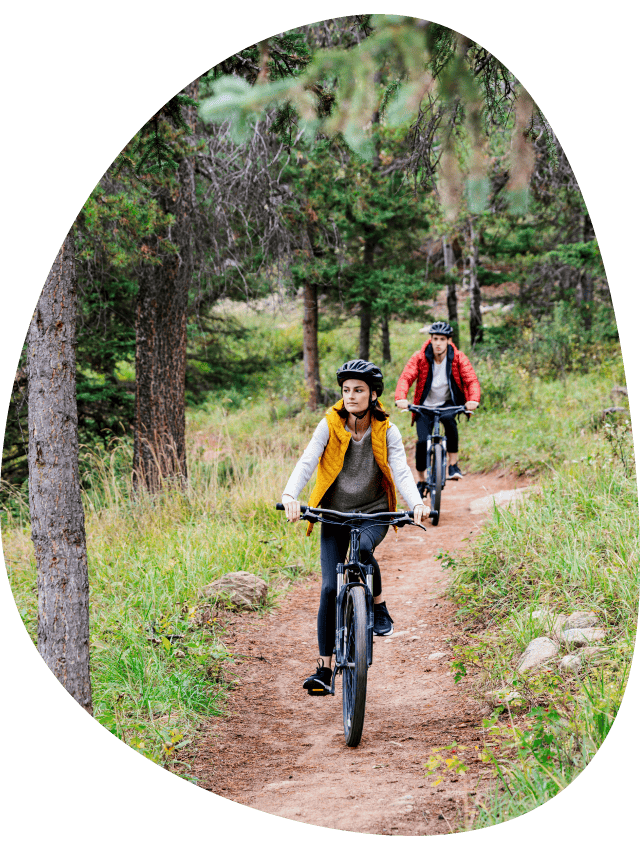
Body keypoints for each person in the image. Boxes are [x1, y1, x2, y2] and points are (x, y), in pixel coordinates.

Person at [281, 359, 426, 696]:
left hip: (373, 513)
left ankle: (377, 604)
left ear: (373, 394)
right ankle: (324, 669)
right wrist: (290, 494)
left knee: (361, 550)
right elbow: (307, 460)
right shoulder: (329, 425)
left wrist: (416, 503)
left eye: (358, 390)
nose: (351, 396)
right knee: (330, 588)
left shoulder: (387, 429)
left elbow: (401, 470)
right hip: (332, 513)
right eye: (346, 390)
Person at [395, 321, 480, 487]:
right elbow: (406, 378)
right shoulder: (419, 357)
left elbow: (471, 381)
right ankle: (421, 480)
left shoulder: (458, 357)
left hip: (447, 404)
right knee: (421, 442)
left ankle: (453, 465)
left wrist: (473, 400)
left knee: (450, 422)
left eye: (442, 339)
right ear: (431, 339)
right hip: (424, 406)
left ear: (449, 340)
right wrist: (400, 398)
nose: (438, 343)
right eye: (435, 339)